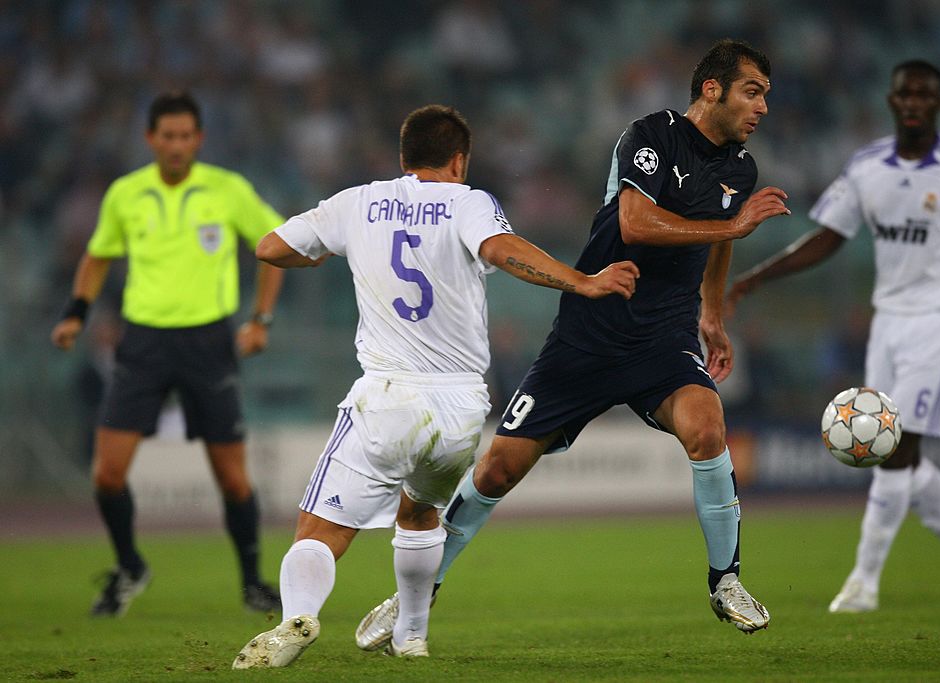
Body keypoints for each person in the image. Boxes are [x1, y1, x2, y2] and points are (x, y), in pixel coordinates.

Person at [354, 38, 790, 650]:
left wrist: (712, 314)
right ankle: (414, 594)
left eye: (766, 94)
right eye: (753, 91)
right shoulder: (649, 136)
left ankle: (726, 581)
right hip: (591, 331)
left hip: (663, 336)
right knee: (498, 469)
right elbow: (637, 224)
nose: (763, 106)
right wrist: (735, 223)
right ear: (711, 90)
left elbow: (718, 243)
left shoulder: (739, 167)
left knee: (708, 427)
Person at [231, 104, 638, 668]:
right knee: (421, 516)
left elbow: (270, 248)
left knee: (319, 529)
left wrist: (336, 248)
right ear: (459, 160)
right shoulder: (471, 202)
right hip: (461, 405)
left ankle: (295, 617)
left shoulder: (358, 202)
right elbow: (501, 251)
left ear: (403, 159)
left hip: (388, 397)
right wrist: (582, 281)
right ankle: (412, 637)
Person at [727, 60, 940, 612]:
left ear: (939, 103)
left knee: (896, 450)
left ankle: (862, 583)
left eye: (924, 95)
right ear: (891, 100)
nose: (913, 102)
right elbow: (828, 238)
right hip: (889, 323)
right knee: (895, 453)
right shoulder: (867, 167)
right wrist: (752, 279)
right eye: (904, 93)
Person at [51, 91, 286, 617]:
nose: (177, 145)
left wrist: (260, 320)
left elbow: (276, 246)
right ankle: (130, 566)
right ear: (150, 139)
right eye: (167, 136)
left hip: (209, 342)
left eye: (185, 136)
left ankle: (252, 582)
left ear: (197, 139)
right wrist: (74, 313)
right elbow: (97, 256)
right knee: (107, 474)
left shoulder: (227, 190)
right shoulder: (126, 194)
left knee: (232, 477)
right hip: (144, 343)